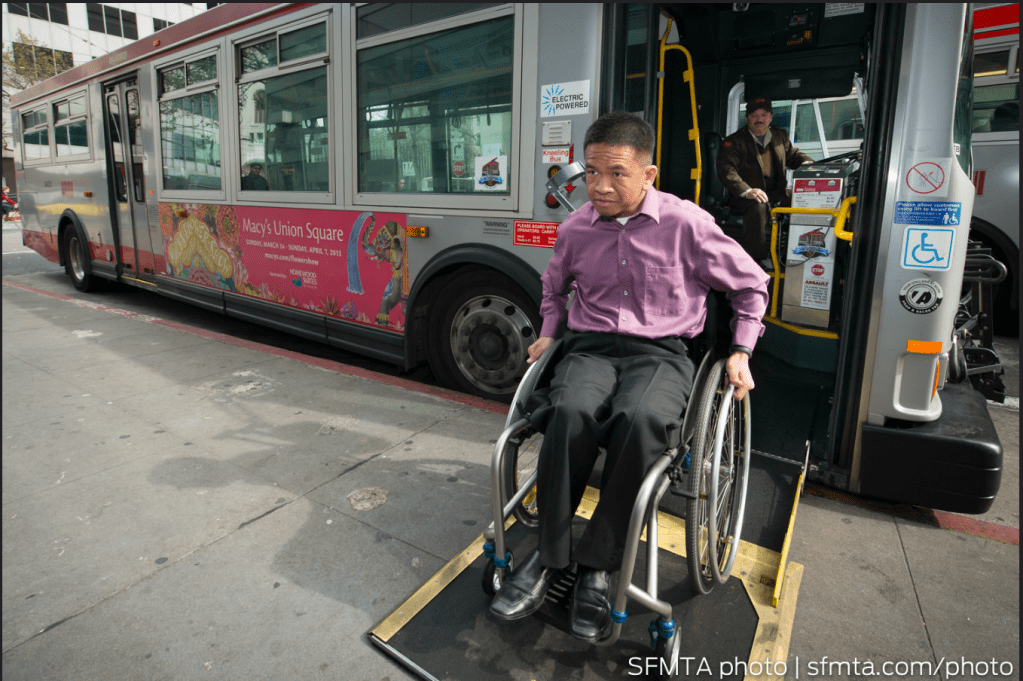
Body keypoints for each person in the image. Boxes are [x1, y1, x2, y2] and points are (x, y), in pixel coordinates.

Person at [488, 111, 769, 642]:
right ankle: (548, 558)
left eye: (616, 173)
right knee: (568, 412)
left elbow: (752, 286)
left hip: (661, 353)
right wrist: (549, 331)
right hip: (590, 348)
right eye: (591, 173)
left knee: (640, 422)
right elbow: (553, 288)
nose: (599, 186)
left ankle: (598, 565)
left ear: (649, 174)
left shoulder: (687, 225)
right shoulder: (574, 229)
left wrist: (740, 349)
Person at [716, 97, 813, 264]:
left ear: (771, 117)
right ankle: (756, 260)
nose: (759, 119)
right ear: (746, 118)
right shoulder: (734, 141)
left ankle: (792, 252)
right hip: (746, 196)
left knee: (804, 197)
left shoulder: (779, 135)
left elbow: (792, 155)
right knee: (758, 205)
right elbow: (727, 170)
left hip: (776, 193)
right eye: (754, 115)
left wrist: (807, 164)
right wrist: (747, 191)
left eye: (764, 114)